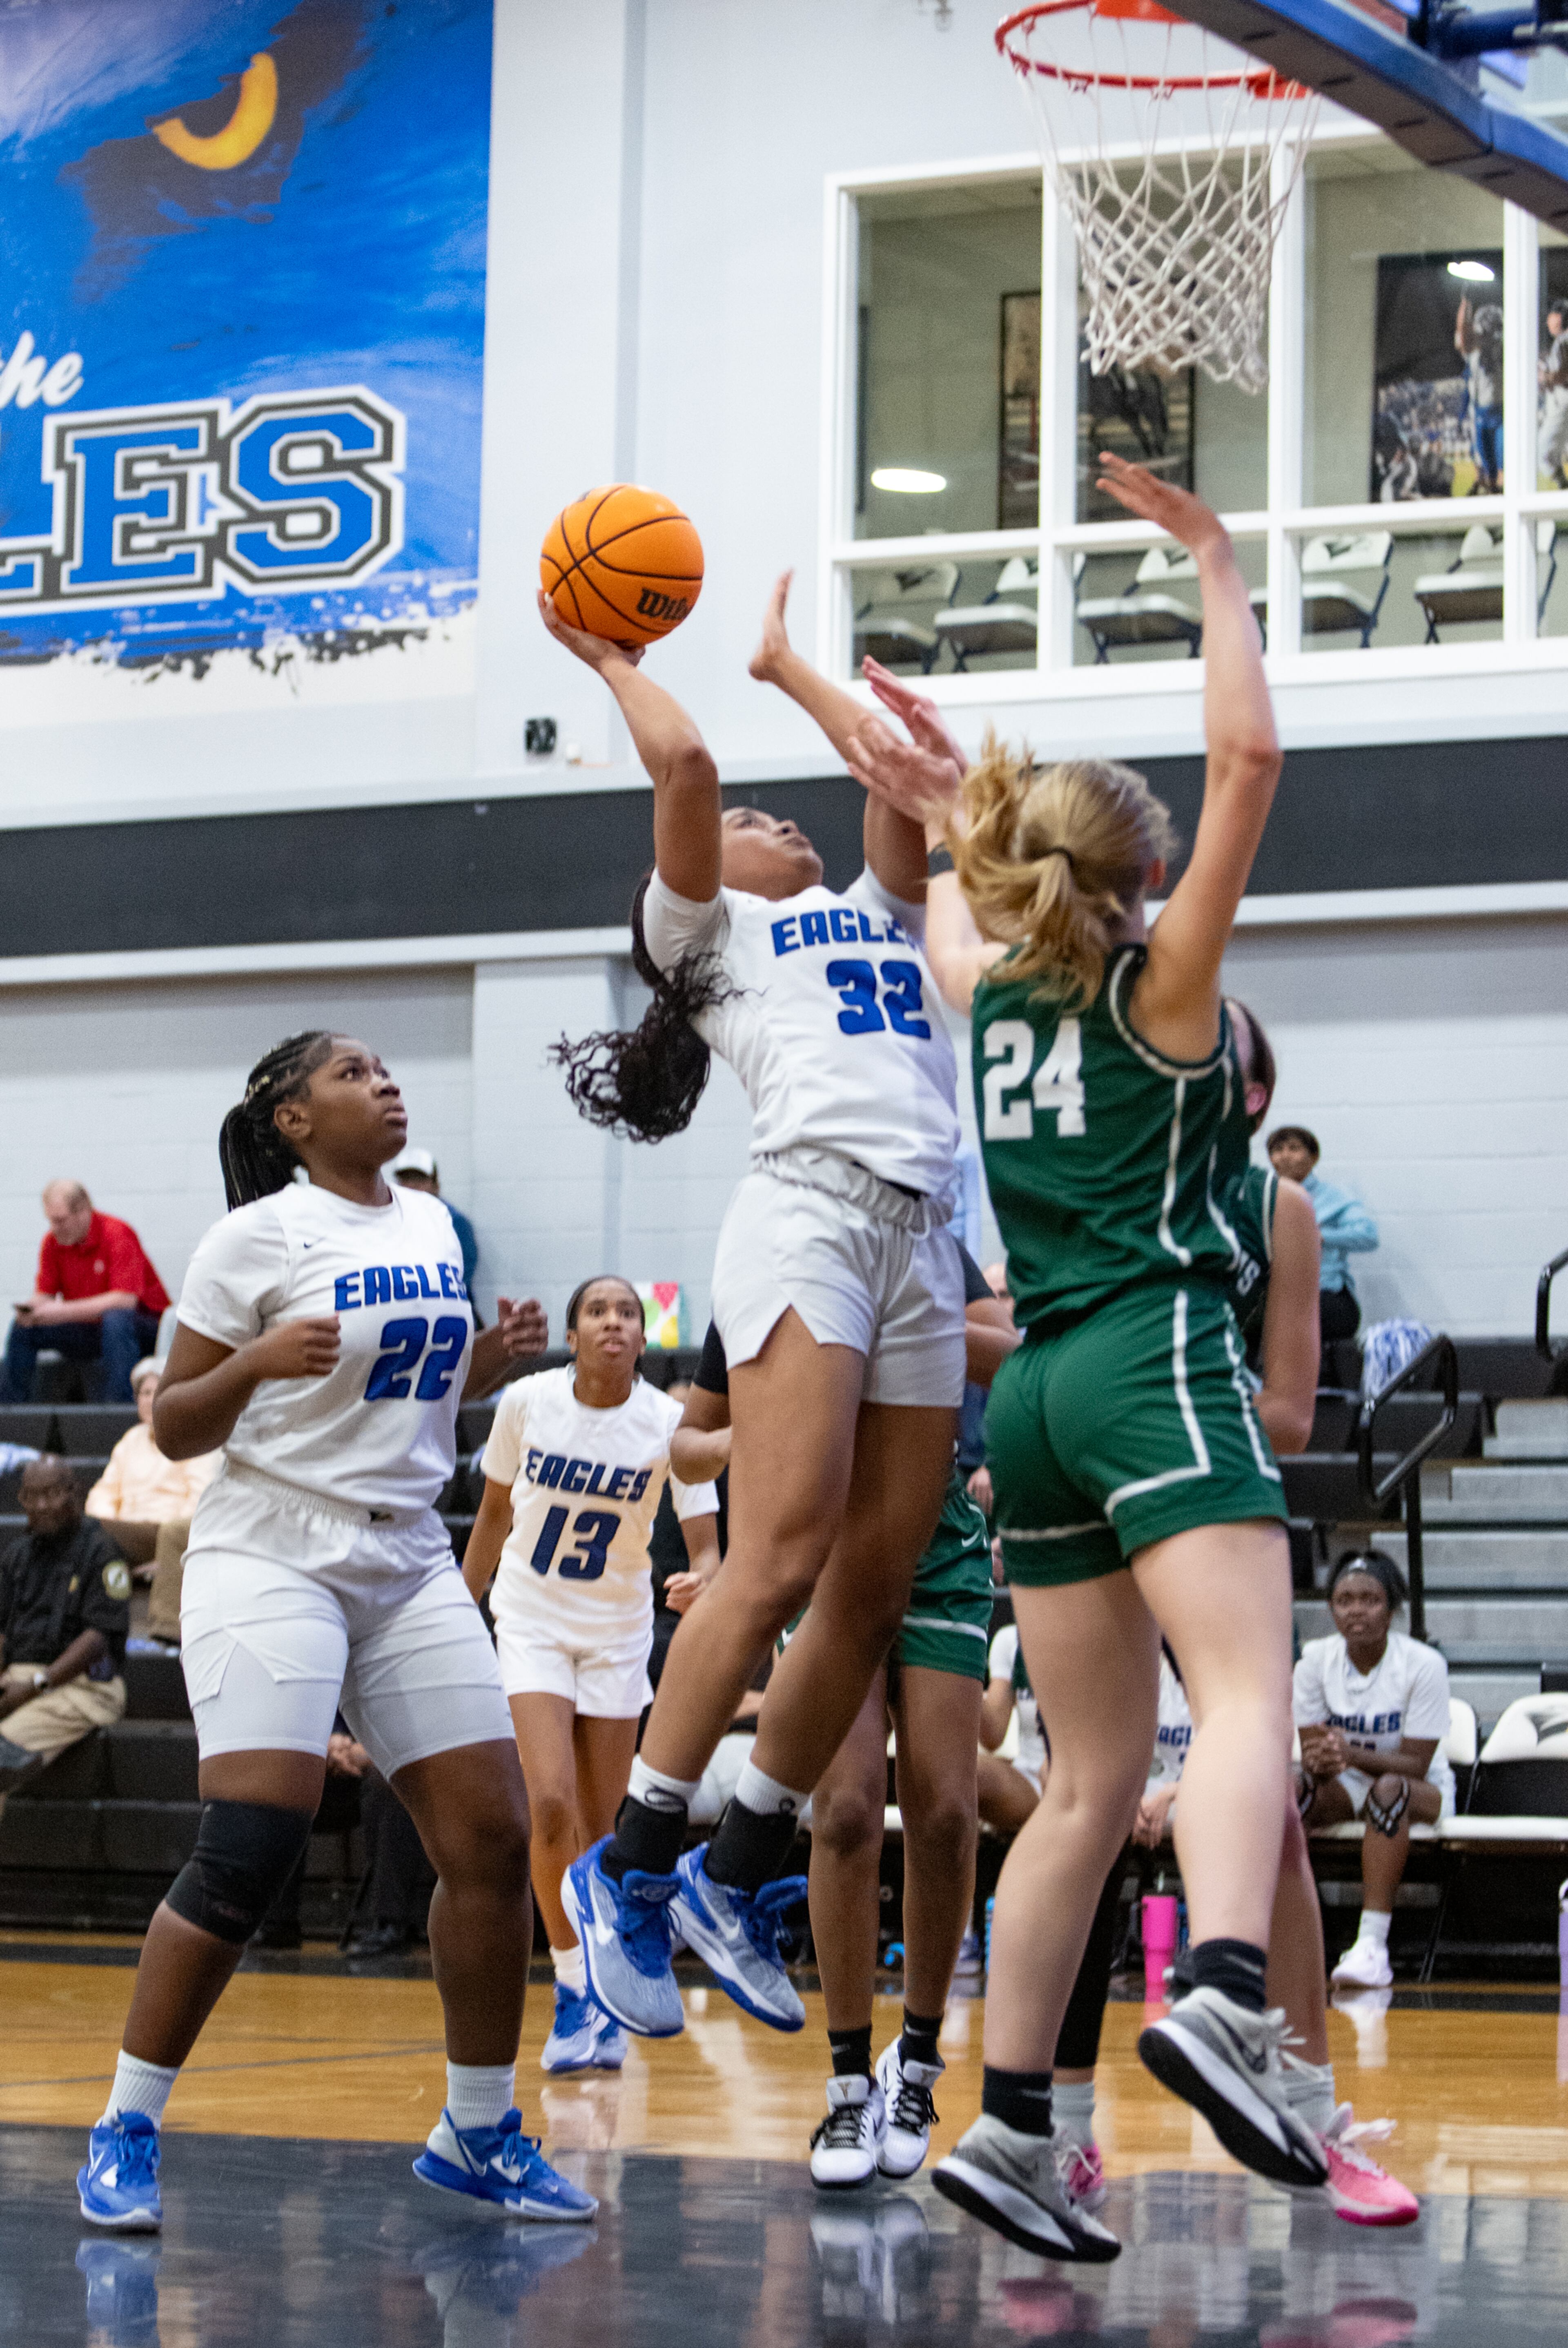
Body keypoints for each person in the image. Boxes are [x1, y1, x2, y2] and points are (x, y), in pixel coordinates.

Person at [844, 450, 1326, 2262]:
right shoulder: (1159, 989)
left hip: (1028, 1395)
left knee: (1091, 1777)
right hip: (1148, 1351)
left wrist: (921, 763)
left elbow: (959, 873)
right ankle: (1219, 1988)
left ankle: (1013, 2121)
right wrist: (1212, 560)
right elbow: (1249, 766)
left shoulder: (986, 992)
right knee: (1246, 1693)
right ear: (1137, 882)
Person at [540, 569, 964, 2043]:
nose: (770, 819)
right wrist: (608, 655)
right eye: (744, 828)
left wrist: (848, 683)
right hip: (811, 1222)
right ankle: (634, 1870)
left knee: (871, 1586)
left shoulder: (879, 912)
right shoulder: (708, 939)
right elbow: (692, 765)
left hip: (927, 1242)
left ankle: (736, 1867)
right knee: (775, 1557)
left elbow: (899, 784)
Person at [75, 1028, 594, 2235]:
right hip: (273, 1545)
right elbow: (181, 1428)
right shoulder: (250, 1237)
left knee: (490, 1832)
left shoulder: (424, 1220)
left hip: (404, 1548)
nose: (385, 1078)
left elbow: (402, 1384)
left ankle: (476, 2128)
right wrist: (254, 1356)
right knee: (255, 1839)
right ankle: (127, 2120)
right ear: (293, 1117)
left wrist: (486, 1361)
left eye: (383, 1065)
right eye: (352, 1071)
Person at [671, 1240, 1014, 2190]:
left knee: (946, 1811)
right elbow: (685, 1444)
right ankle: (845, 2079)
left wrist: (910, 1323)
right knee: (850, 1808)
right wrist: (756, 1438)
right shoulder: (765, 1258)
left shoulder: (930, 1249)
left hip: (935, 1539)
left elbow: (1012, 1351)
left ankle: (918, 2060)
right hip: (823, 1544)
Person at [460, 1273, 720, 2076]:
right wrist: (454, 1610)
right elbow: (495, 1517)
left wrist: (706, 1574)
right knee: (548, 1805)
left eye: (628, 1313)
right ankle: (573, 1988)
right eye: (597, 1311)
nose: (614, 1322)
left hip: (615, 1633)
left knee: (604, 1832)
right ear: (571, 1335)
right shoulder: (528, 1403)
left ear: (644, 1338)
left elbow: (708, 1542)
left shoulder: (671, 1424)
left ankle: (604, 1993)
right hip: (532, 1621)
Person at [1296, 1550, 1454, 1993]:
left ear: (1392, 1608)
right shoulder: (1314, 1661)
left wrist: (1346, 1753)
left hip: (1420, 1789)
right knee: (1288, 1787)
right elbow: (1314, 1750)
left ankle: (1371, 1946)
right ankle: (1263, 1933)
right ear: (1331, 1608)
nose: (1356, 1610)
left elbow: (1416, 1765)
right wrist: (1317, 1762)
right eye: (1345, 1600)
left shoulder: (1423, 1664)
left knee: (1388, 1788)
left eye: (1370, 1599)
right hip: (1346, 1784)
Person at [0, 1456, 131, 1799]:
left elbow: (98, 1639)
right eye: (32, 1496)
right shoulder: (16, 1555)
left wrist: (35, 1685)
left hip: (84, 1686)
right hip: (18, 1679)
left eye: (52, 1494)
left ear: (75, 1492)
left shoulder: (103, 1552)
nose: (42, 1505)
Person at [85, 1359, 221, 1646]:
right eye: (145, 1393)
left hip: (167, 1529)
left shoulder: (192, 1435)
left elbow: (201, 1497)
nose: (150, 1400)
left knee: (167, 1533)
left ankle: (163, 1633)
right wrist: (112, 1522)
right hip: (130, 1531)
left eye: (158, 1391)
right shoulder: (130, 1440)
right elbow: (103, 1493)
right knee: (90, 1528)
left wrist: (165, 1547)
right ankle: (89, 1627)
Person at [2, 1183, 170, 1405]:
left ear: (83, 1212)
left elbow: (125, 1300)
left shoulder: (117, 1233)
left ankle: (116, 1412)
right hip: (93, 1328)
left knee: (116, 1321)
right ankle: (11, 1410)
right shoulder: (53, 1242)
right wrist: (33, 1311)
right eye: (51, 1220)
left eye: (61, 1220)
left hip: (141, 1329)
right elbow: (45, 1294)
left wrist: (60, 1311)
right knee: (23, 1327)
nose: (55, 1227)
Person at [1265, 1126, 1378, 1348]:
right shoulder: (1262, 1197)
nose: (1285, 1156)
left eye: (1295, 1148)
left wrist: (1320, 1237)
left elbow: (1369, 1236)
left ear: (1313, 1157)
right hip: (1275, 1295)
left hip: (1324, 1295)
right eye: (1278, 1150)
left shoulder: (1335, 1198)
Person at [978, 1615, 1045, 1835]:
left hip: (1083, 1776)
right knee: (954, 1771)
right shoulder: (1010, 1639)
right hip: (1029, 1777)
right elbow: (992, 1736)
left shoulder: (1095, 1629)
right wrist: (959, 1663)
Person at [392, 1149, 479, 1295]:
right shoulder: (391, 1220)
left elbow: (461, 1274)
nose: (411, 1186)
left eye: (419, 1179)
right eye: (406, 1179)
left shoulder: (453, 1222)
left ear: (435, 1185)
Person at [1455, 296, 1504, 494]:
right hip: (1483, 412)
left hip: (1502, 413)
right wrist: (1466, 306)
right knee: (1487, 466)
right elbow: (1465, 339)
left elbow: (1465, 338)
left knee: (1502, 469)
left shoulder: (1503, 347)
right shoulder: (1476, 352)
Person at [1540, 302, 1568, 487]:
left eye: (1552, 315)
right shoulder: (1561, 341)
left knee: (1543, 452)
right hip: (1560, 402)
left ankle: (1563, 491)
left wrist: (1546, 377)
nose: (1548, 320)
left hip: (1563, 403)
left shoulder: (1564, 340)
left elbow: (1564, 373)